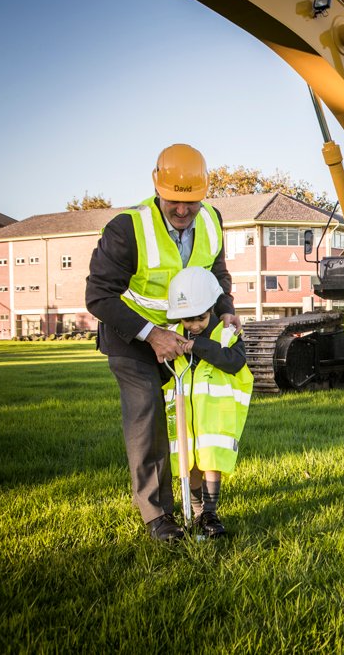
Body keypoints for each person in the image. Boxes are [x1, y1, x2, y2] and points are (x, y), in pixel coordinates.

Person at [86, 144, 240, 542]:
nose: (184, 211)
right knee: (149, 418)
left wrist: (226, 308)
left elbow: (216, 273)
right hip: (133, 339)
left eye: (192, 201)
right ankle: (159, 517)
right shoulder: (126, 228)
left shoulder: (212, 219)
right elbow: (99, 296)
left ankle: (201, 501)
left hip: (187, 339)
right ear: (158, 188)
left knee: (198, 416)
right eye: (175, 200)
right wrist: (152, 335)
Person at [163, 266, 253, 538]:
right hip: (185, 416)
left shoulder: (226, 332)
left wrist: (198, 347)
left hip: (215, 416)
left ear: (212, 307)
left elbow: (235, 361)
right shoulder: (174, 334)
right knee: (188, 464)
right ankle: (196, 510)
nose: (193, 325)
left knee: (211, 462)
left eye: (199, 318)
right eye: (187, 320)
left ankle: (210, 513)